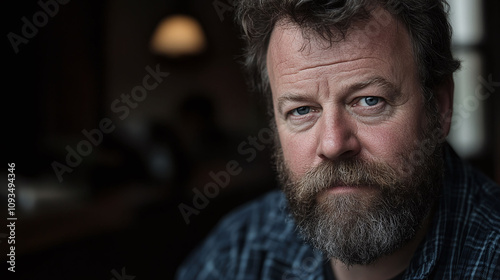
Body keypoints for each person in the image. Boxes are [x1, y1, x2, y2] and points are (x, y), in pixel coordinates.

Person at [175, 0, 500, 279]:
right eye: (302, 110)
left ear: (440, 109)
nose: (333, 145)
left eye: (369, 101)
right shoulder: (236, 255)